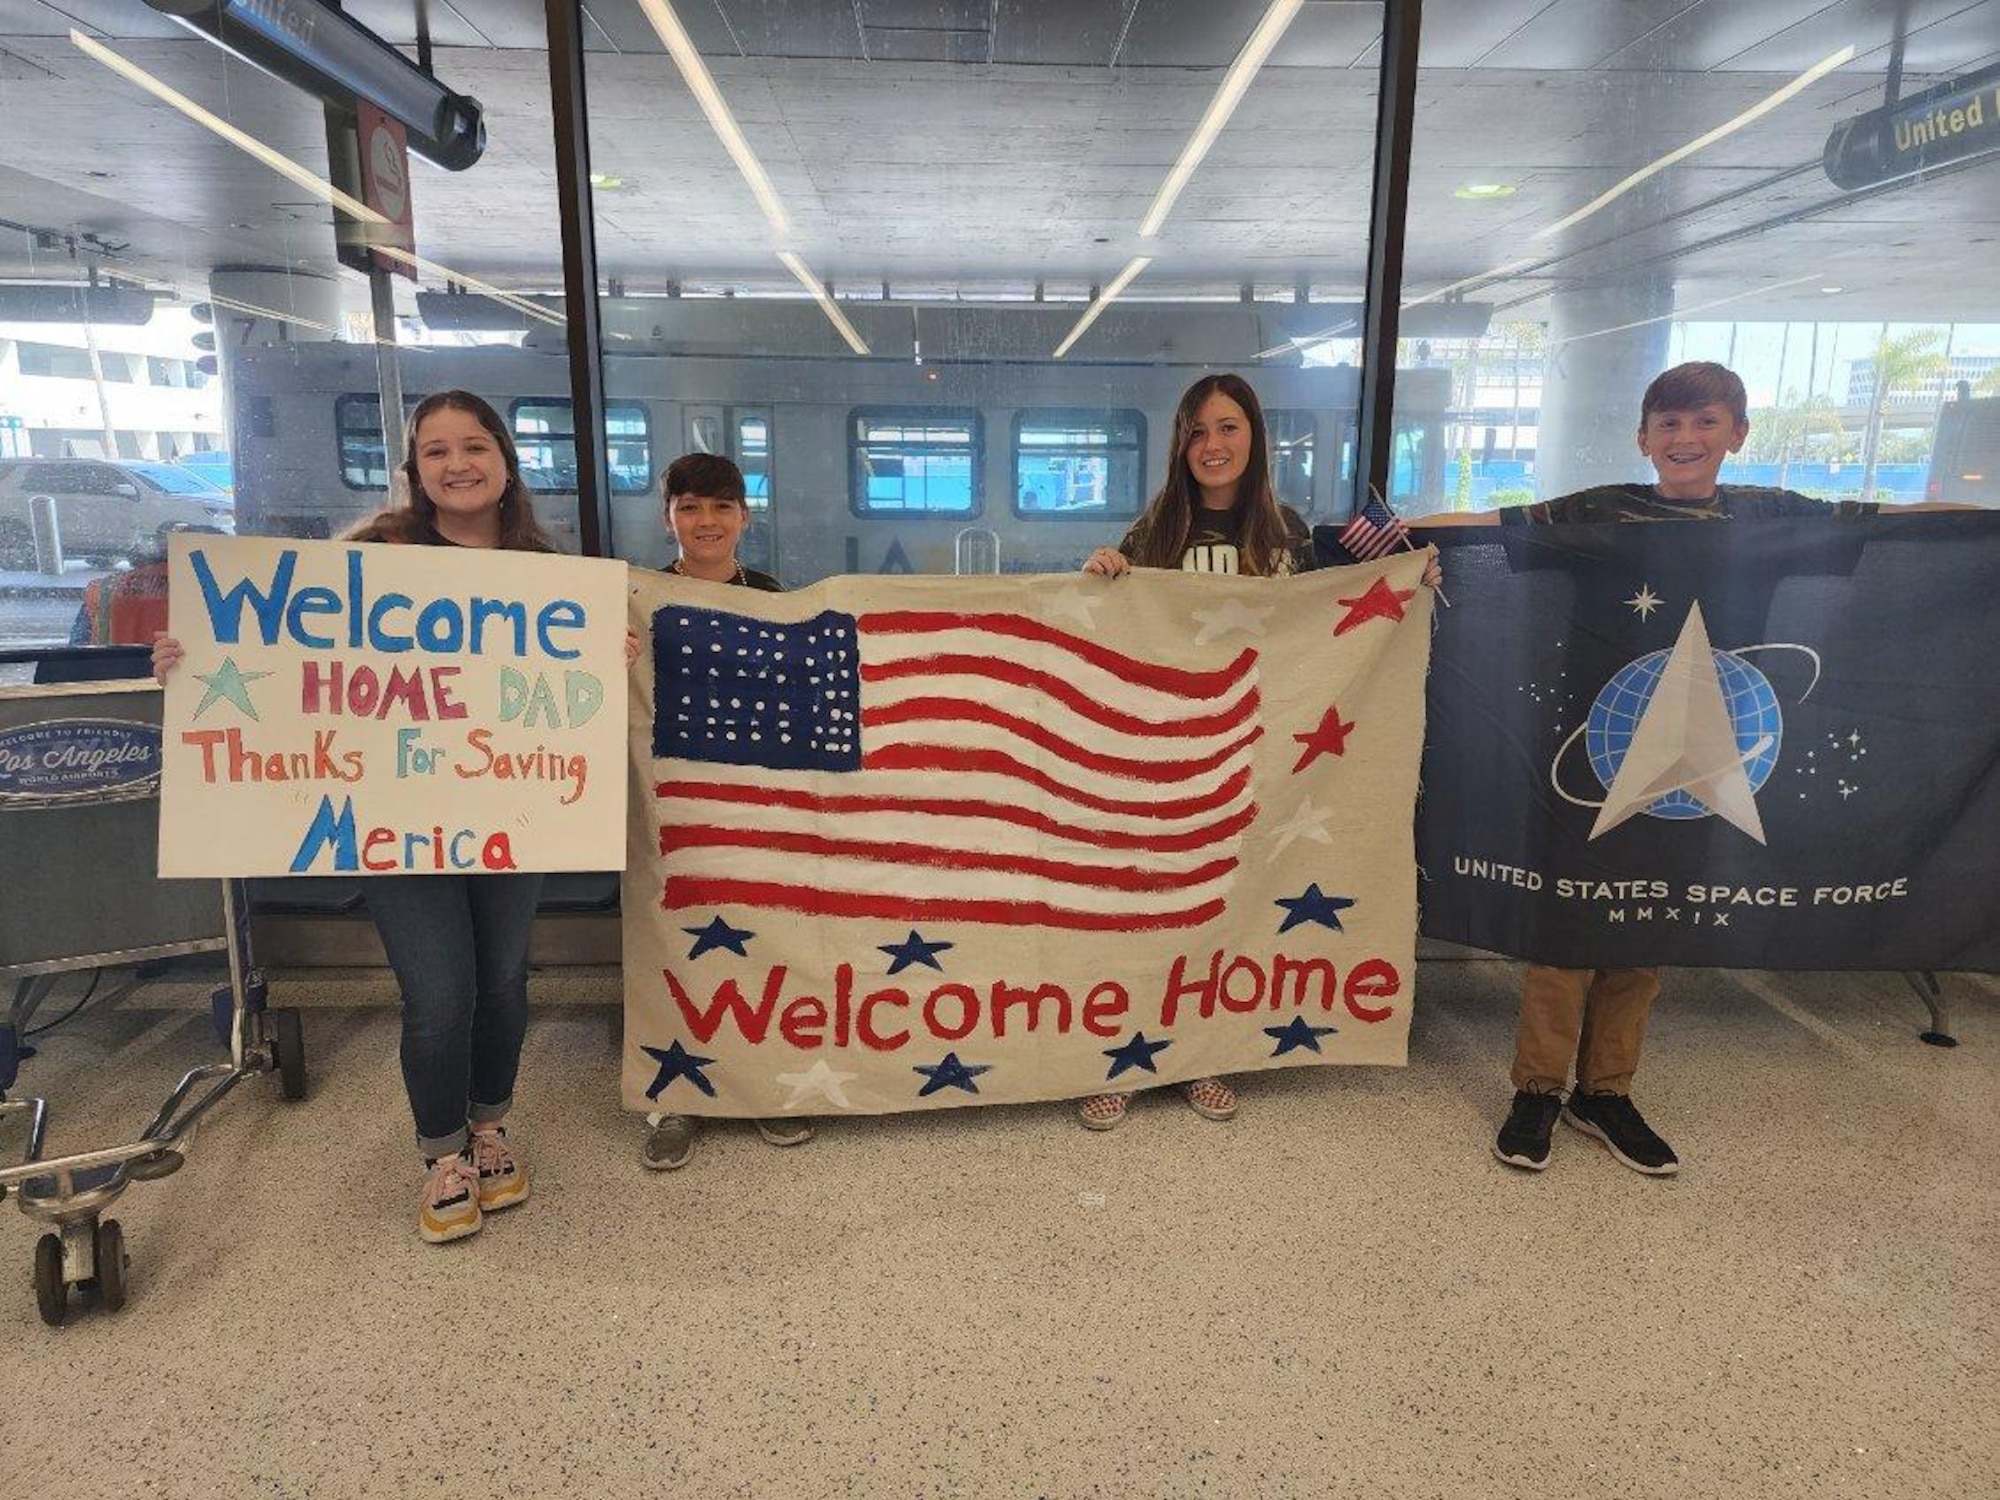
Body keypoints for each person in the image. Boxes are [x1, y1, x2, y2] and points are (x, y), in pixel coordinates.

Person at [1413, 359, 1969, 1177]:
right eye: (1669, 424)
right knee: (1566, 926)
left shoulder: (1772, 517)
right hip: (1601, 751)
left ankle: (1605, 1092)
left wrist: (1984, 520)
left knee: (1647, 927)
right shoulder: (1599, 512)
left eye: (1705, 422)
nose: (1685, 438)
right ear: (1643, 436)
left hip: (1707, 763)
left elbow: (1896, 522)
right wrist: (1392, 540)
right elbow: (1486, 527)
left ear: (1738, 433)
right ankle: (1536, 1089)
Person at [155, 390, 560, 1243]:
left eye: (475, 445)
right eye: (437, 450)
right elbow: (277, 653)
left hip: (507, 809)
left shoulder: (545, 573)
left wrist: (611, 653)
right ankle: (442, 1153)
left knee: (505, 985)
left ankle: (490, 1129)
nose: (458, 464)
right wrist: (192, 660)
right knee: (439, 993)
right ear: (415, 470)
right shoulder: (371, 559)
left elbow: (569, 689)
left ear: (506, 461)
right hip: (396, 819)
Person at [1078, 372, 1438, 1132]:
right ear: (1181, 444)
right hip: (1166, 751)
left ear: (1254, 438)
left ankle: (1201, 1053)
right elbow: (1122, 629)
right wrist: (1101, 578)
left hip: (1260, 751)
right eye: (1198, 431)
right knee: (1153, 904)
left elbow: (1331, 623)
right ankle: (1127, 1051)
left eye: (1228, 427)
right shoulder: (1154, 533)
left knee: (1228, 903)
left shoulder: (1288, 534)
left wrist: (1404, 586)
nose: (1212, 445)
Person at [639, 452, 813, 1169]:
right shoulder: (639, 596)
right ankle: (674, 1095)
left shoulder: (773, 594)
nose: (705, 521)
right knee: (670, 944)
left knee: (762, 940)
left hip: (753, 800)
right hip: (669, 803)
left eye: (720, 507)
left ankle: (762, 1086)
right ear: (668, 517)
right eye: (689, 506)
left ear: (745, 516)